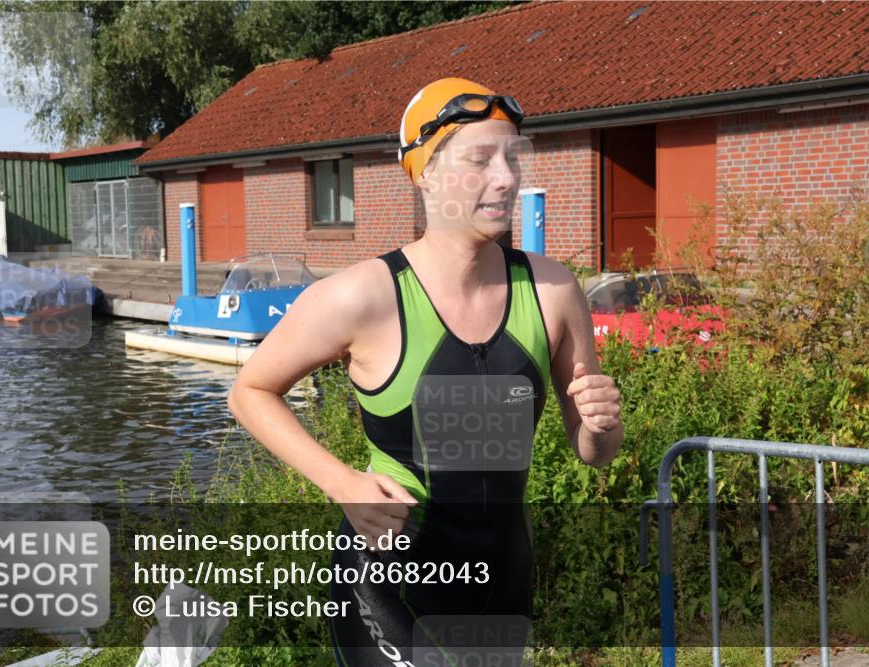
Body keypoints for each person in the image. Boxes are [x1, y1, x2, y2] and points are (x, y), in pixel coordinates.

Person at [227, 77, 624, 666]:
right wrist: (342, 484)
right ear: (425, 173)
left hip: (503, 583)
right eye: (480, 159)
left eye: (512, 157)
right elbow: (250, 391)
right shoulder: (363, 296)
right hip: (389, 583)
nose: (506, 177)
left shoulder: (554, 290)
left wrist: (598, 425)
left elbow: (597, 450)